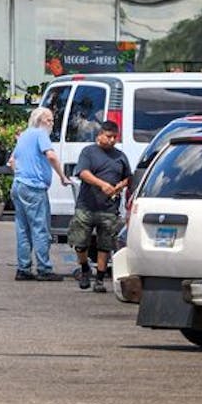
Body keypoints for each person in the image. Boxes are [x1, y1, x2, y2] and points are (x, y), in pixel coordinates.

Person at [70, 120, 131, 293]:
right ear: (100, 135)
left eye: (115, 137)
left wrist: (120, 185)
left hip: (108, 208)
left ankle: (99, 279)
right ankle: (84, 269)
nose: (112, 140)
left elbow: (129, 177)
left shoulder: (120, 156)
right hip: (87, 205)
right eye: (108, 136)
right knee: (80, 242)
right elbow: (83, 172)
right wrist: (101, 184)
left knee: (105, 245)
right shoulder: (89, 152)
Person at [8, 107, 66, 281]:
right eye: (49, 120)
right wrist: (62, 176)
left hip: (19, 185)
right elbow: (51, 156)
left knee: (23, 229)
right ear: (41, 121)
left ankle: (23, 268)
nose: (52, 124)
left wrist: (21, 173)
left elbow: (12, 161)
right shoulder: (41, 134)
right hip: (34, 187)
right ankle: (44, 268)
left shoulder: (24, 135)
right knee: (40, 229)